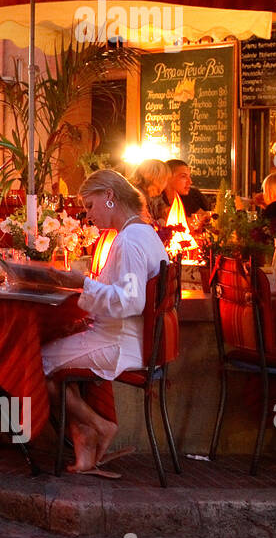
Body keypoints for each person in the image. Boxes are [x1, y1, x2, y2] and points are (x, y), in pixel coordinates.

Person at [42, 169, 170, 477]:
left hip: (120, 343)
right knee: (55, 352)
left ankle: (98, 426)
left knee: (35, 362)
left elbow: (130, 301)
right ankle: (85, 439)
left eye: (89, 205)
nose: (88, 215)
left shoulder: (128, 241)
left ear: (109, 196)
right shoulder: (143, 233)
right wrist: (83, 286)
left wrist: (83, 282)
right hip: (131, 339)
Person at [162, 159, 209, 225]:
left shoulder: (190, 197)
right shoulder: (156, 200)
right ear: (168, 177)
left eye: (189, 176)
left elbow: (205, 219)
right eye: (183, 176)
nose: (190, 182)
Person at [131, 158, 171, 225]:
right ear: (157, 179)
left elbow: (165, 214)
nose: (166, 184)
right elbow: (140, 221)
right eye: (165, 179)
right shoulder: (135, 196)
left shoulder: (157, 197)